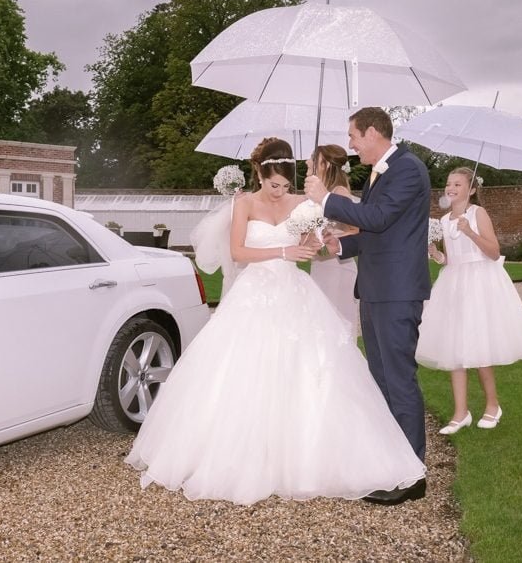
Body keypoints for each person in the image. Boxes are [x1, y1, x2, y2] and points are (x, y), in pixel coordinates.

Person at [127, 137, 426, 506]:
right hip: (253, 293)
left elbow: (315, 247)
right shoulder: (243, 203)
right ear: (259, 174)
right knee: (241, 372)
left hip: (293, 290)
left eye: (285, 185)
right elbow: (238, 251)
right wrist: (283, 250)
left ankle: (323, 458)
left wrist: (320, 241)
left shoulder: (304, 203)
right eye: (273, 185)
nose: (279, 191)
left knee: (310, 371)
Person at [304, 107, 432, 506]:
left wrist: (325, 199)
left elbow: (376, 217)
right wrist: (341, 244)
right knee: (380, 381)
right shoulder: (381, 173)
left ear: (374, 132)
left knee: (399, 380)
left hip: (396, 293)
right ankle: (390, 462)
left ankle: (411, 474)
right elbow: (377, 233)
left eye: (354, 136)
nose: (351, 144)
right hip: (375, 290)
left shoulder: (408, 169)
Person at [417, 167, 522, 434]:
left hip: (480, 283)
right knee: (455, 348)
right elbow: (451, 259)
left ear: (471, 189)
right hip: (454, 284)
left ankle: (492, 405)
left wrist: (470, 232)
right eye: (448, 184)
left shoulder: (477, 214)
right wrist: (436, 255)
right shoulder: (445, 220)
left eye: (457, 184)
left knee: (480, 345)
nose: (450, 188)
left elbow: (494, 252)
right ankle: (461, 413)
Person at [305, 144, 360, 335]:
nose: (307, 161)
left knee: (337, 328)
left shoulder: (339, 193)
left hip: (338, 266)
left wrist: (331, 238)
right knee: (319, 327)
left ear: (325, 164)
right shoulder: (316, 196)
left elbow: (356, 230)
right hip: (320, 265)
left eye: (313, 157)